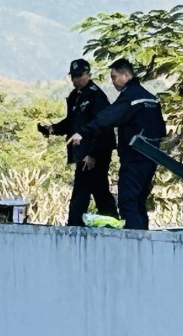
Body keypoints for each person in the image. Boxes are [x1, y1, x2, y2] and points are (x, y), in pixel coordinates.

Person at [66, 58, 165, 230]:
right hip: (151, 158)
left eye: (114, 77)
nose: (112, 82)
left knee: (128, 201)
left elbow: (107, 117)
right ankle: (143, 239)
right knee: (139, 201)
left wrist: (83, 132)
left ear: (125, 75)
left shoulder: (130, 97)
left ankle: (133, 242)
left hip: (134, 159)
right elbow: (161, 130)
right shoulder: (151, 99)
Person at [38, 58, 118, 226]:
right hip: (82, 153)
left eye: (79, 76)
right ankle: (112, 224)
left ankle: (74, 227)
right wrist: (52, 129)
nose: (75, 80)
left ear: (88, 75)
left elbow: (103, 127)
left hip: (95, 153)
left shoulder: (96, 96)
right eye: (73, 76)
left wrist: (93, 154)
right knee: (99, 190)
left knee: (82, 193)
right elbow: (72, 122)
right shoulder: (75, 96)